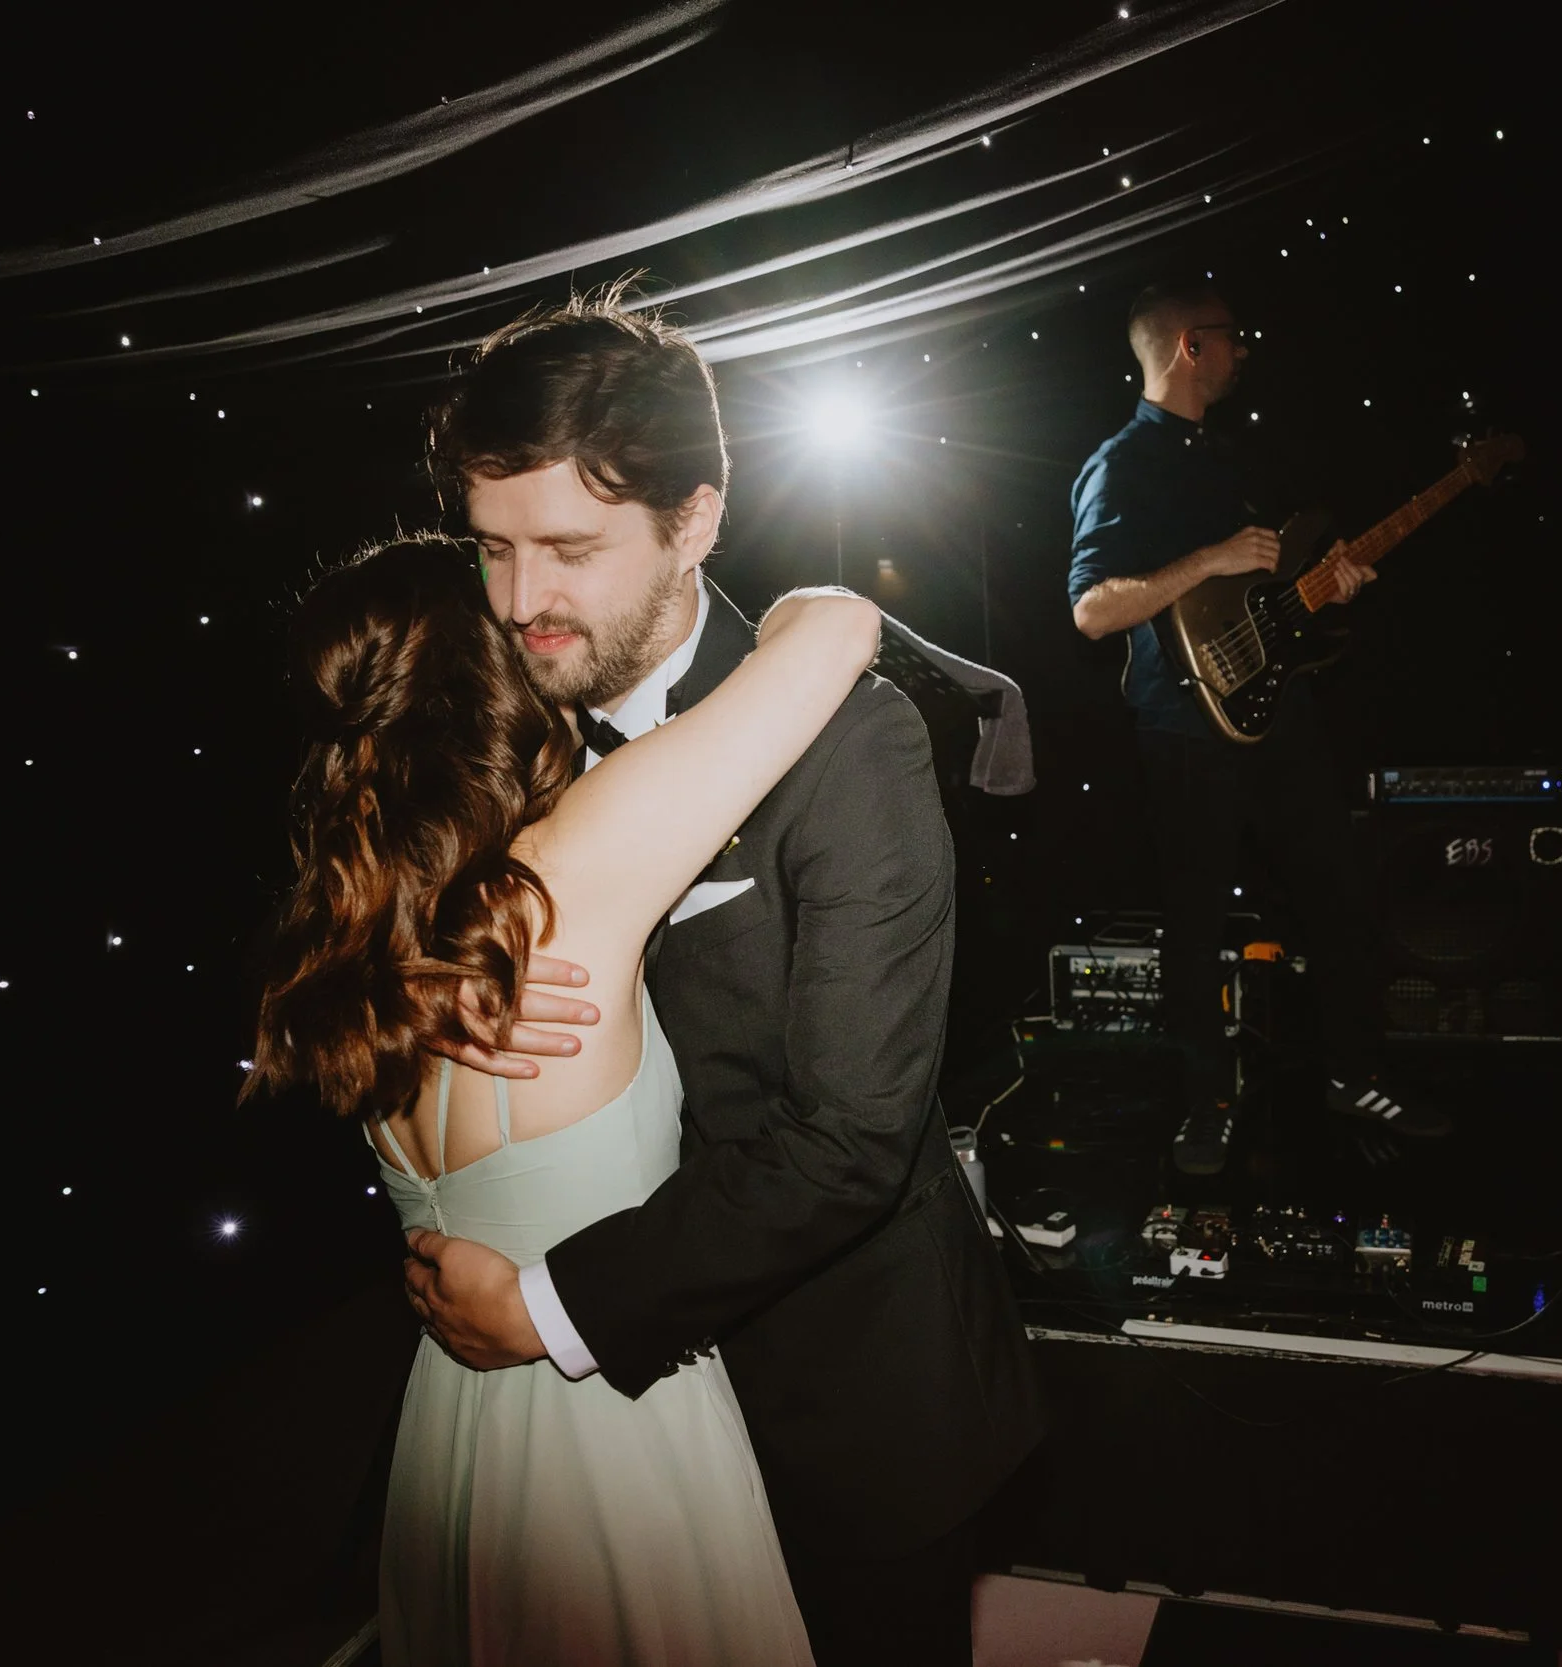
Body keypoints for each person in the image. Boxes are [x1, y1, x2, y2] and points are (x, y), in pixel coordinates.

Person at [393, 292, 1042, 1666]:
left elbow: (851, 1137)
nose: (519, 601)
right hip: (608, 1437)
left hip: (839, 1396)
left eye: (572, 549)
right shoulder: (490, 718)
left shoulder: (851, 738)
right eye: (494, 547)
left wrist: (547, 1309)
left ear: (695, 520)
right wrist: (420, 994)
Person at [247, 534, 874, 1663]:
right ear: (498, 678)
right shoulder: (565, 872)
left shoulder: (367, 957)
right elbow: (838, 627)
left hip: (450, 1436)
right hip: (613, 1440)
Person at [1067, 277, 1454, 1174]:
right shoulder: (1123, 464)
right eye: (1230, 336)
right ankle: (1205, 1103)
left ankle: (1355, 1075)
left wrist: (1329, 588)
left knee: (1341, 892)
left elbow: (1274, 600)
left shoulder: (1235, 459)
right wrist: (1209, 557)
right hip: (1183, 724)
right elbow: (1091, 610)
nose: (1243, 351)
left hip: (1282, 714)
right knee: (1195, 923)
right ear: (1189, 346)